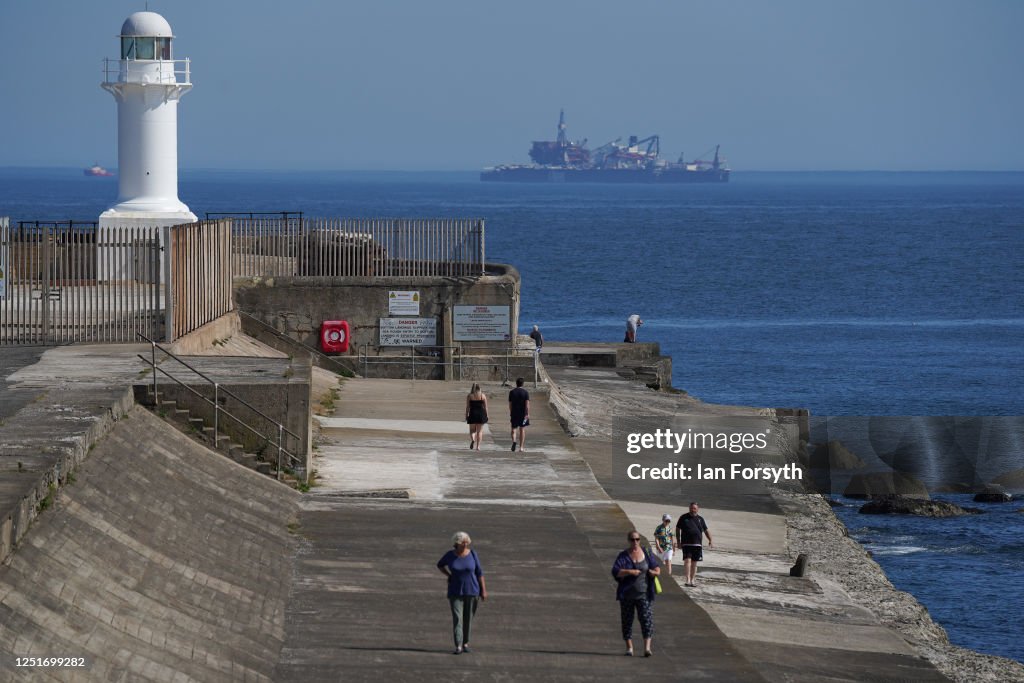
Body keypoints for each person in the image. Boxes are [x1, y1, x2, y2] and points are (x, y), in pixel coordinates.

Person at [611, 530, 661, 657]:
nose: (635, 542)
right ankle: (629, 648)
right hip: (627, 594)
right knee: (627, 621)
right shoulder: (623, 555)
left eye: (637, 539)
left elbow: (657, 568)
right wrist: (629, 571)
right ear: (629, 541)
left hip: (644, 593)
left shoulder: (647, 552)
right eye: (632, 540)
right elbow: (615, 571)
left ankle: (647, 648)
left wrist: (654, 573)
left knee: (646, 619)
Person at [437, 531, 487, 655]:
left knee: (468, 618)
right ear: (456, 543)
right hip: (455, 591)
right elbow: (440, 565)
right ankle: (458, 645)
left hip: (472, 591)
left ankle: (465, 643)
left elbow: (479, 573)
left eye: (466, 542)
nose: (465, 545)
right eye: (462, 543)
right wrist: (448, 575)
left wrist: (483, 590)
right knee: (457, 618)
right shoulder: (450, 555)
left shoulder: (473, 554)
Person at [675, 502, 713, 587]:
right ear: (689, 508)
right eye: (691, 508)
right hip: (686, 543)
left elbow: (706, 530)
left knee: (694, 563)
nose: (693, 510)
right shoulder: (683, 517)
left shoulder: (700, 519)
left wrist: (710, 539)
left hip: (697, 544)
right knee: (687, 561)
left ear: (697, 509)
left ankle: (692, 580)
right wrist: (678, 541)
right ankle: (687, 579)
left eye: (694, 508)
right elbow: (677, 529)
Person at [508, 377, 530, 452]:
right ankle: (521, 447)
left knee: (513, 429)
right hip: (523, 414)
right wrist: (527, 414)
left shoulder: (512, 392)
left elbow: (510, 404)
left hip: (514, 413)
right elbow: (527, 405)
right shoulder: (525, 392)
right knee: (522, 429)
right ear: (523, 384)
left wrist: (511, 412)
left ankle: (514, 441)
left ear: (516, 383)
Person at [465, 383, 489, 451]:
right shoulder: (482, 395)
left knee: (472, 430)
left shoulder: (469, 396)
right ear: (479, 388)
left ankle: (473, 440)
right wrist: (487, 415)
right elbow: (486, 407)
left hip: (472, 414)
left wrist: (466, 415)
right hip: (481, 414)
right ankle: (478, 446)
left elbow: (467, 407)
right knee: (480, 431)